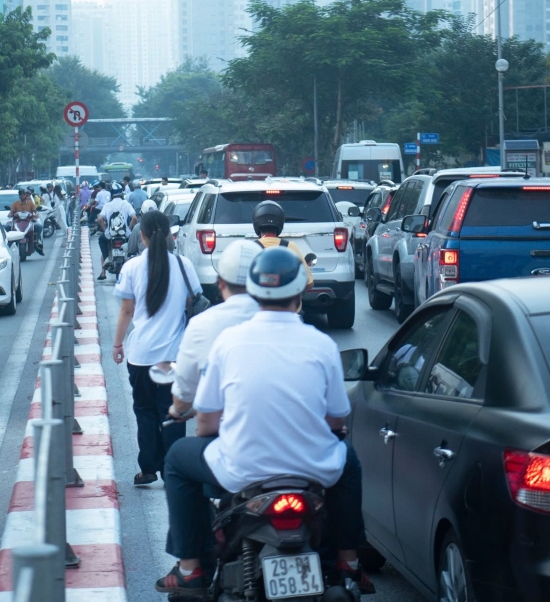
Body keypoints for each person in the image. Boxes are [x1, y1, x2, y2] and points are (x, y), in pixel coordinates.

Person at [157, 246, 369, 595]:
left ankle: (190, 568)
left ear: (251, 290)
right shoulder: (321, 344)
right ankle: (349, 561)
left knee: (178, 458)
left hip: (243, 472)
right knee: (349, 459)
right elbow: (336, 420)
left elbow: (206, 426)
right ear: (301, 293)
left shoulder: (228, 341)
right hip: (313, 470)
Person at [112, 210, 199, 485]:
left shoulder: (132, 267)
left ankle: (148, 468)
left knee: (145, 412)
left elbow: (127, 310)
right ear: (171, 234)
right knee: (173, 413)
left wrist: (117, 343)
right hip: (175, 355)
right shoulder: (184, 265)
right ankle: (174, 469)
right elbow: (192, 301)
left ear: (143, 236)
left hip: (141, 356)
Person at [169, 240, 263, 421]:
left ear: (220, 283)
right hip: (291, 443)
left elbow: (182, 400)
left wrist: (178, 410)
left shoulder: (201, 325)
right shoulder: (294, 327)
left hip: (228, 438)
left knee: (179, 450)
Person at [252, 200, 313, 289]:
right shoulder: (291, 247)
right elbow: (309, 283)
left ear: (256, 223)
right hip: (286, 302)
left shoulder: (250, 248)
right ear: (280, 223)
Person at [98, 183, 137, 280]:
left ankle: (105, 264)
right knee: (132, 249)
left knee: (101, 240)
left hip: (110, 234)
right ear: (121, 193)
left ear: (111, 194)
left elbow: (99, 219)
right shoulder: (126, 204)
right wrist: (129, 228)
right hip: (125, 233)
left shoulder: (107, 205)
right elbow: (134, 218)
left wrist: (105, 230)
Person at [11, 188, 45, 255]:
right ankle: (8, 243)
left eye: (22, 194)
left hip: (29, 221)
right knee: (6, 227)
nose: (21, 195)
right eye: (20, 194)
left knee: (39, 226)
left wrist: (36, 215)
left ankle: (37, 240)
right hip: (17, 222)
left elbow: (35, 211)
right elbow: (11, 211)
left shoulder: (31, 203)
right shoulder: (15, 203)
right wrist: (11, 214)